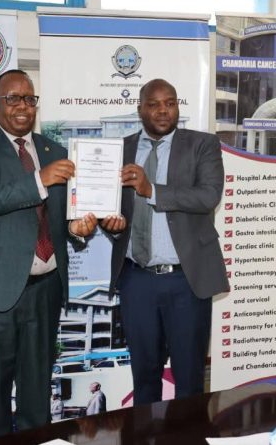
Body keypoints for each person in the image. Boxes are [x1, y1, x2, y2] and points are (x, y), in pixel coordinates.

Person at [0, 69, 101, 440]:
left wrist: (78, 230)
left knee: (37, 401)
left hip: (45, 291)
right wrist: (38, 180)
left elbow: (62, 220)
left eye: (29, 99)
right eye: (13, 98)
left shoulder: (55, 152)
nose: (22, 106)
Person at [106, 78, 229, 405]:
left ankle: (187, 433)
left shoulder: (202, 145)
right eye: (154, 104)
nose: (163, 111)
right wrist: (111, 225)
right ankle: (146, 433)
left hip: (185, 281)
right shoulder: (121, 149)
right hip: (137, 280)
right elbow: (113, 209)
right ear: (140, 110)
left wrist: (152, 190)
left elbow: (208, 196)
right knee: (144, 378)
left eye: (170, 103)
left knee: (189, 380)